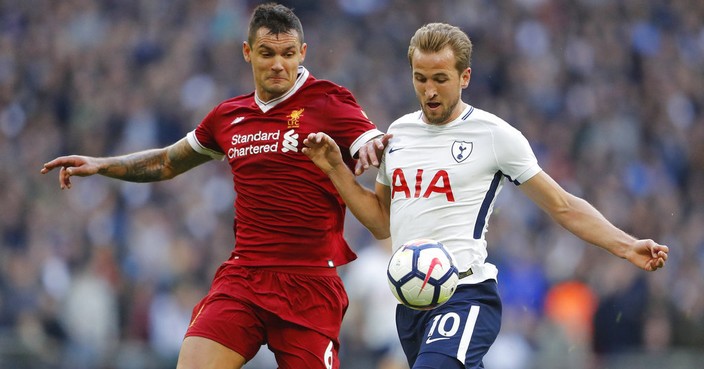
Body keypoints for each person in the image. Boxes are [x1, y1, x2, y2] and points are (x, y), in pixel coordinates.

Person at [302, 22, 669, 369]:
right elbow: (383, 223)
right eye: (420, 78)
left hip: (465, 292)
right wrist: (336, 169)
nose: (429, 90)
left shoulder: (495, 135)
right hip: (410, 303)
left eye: (440, 79)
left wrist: (625, 245)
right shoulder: (398, 134)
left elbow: (563, 205)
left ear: (465, 77)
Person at [41, 3, 385, 369]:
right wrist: (102, 164)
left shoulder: (329, 101)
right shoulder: (228, 116)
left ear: (302, 52)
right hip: (244, 278)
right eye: (267, 53)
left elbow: (370, 139)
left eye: (288, 54)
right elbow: (167, 162)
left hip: (309, 284)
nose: (278, 64)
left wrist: (367, 146)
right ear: (247, 52)